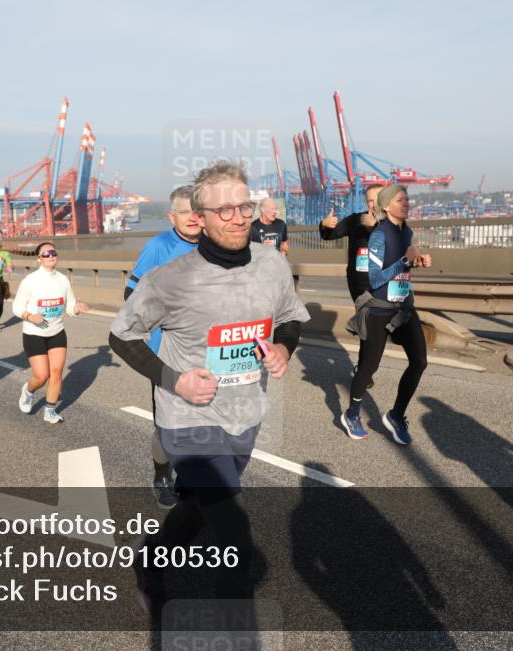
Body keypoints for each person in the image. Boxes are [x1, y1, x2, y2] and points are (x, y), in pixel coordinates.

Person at [110, 161, 310, 614]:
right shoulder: (171, 278)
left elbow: (290, 318)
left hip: (244, 413)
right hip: (189, 419)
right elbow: (121, 335)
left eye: (244, 206)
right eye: (225, 211)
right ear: (200, 218)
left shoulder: (272, 265)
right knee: (234, 533)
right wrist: (174, 379)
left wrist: (283, 347)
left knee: (199, 509)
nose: (238, 218)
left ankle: (150, 558)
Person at [124, 185, 201, 509]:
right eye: (185, 212)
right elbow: (131, 294)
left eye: (197, 211)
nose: (193, 218)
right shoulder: (159, 246)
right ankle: (162, 477)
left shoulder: (213, 246)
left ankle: (189, 476)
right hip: (166, 352)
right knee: (168, 422)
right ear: (172, 216)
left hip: (205, 351)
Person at [344, 185, 432, 445]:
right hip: (380, 309)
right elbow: (375, 279)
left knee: (420, 361)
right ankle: (352, 414)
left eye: (407, 199)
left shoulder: (407, 231)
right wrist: (405, 261)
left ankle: (396, 415)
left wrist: (417, 261)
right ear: (386, 205)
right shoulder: (379, 235)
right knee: (369, 366)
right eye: (399, 199)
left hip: (404, 307)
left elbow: (403, 265)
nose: (406, 203)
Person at [12, 242, 89, 424]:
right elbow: (16, 307)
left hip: (56, 331)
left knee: (56, 372)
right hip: (34, 333)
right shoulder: (30, 280)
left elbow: (69, 307)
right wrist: (30, 316)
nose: (51, 256)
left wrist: (76, 308)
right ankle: (28, 391)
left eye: (53, 252)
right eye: (46, 254)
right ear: (39, 258)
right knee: (41, 376)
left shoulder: (63, 280)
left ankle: (50, 411)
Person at [320, 184, 383, 386]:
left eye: (376, 200)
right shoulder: (355, 220)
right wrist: (324, 225)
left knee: (376, 328)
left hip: (383, 281)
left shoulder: (392, 223)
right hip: (359, 282)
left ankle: (364, 367)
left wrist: (376, 227)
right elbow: (329, 235)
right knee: (368, 323)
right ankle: (364, 370)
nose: (372, 204)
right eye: (369, 200)